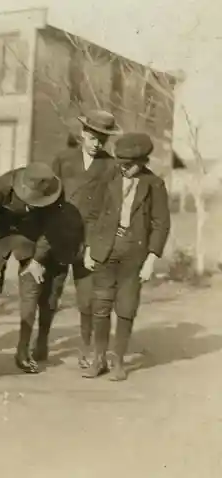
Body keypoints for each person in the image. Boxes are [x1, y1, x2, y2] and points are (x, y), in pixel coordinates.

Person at [0, 162, 83, 373]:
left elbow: (51, 229)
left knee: (32, 291)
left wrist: (38, 260)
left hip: (33, 238)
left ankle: (23, 351)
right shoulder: (2, 186)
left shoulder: (55, 190)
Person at [83, 133, 170, 381]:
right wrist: (90, 248)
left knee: (126, 307)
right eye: (120, 162)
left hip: (135, 254)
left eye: (129, 164)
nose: (124, 168)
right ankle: (98, 358)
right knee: (99, 306)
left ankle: (118, 361)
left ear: (143, 161)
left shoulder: (154, 185)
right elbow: (92, 215)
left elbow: (161, 224)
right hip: (104, 249)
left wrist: (152, 258)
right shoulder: (107, 177)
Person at [51, 110, 120, 368]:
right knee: (49, 294)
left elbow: (110, 208)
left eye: (103, 139)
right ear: (83, 134)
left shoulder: (111, 166)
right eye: (93, 138)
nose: (97, 144)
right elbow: (49, 196)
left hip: (90, 240)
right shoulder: (63, 159)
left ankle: (86, 347)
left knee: (87, 298)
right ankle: (39, 344)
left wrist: (94, 245)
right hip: (60, 236)